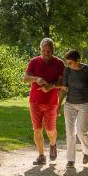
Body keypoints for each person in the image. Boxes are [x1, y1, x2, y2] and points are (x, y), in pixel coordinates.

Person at [23, 37, 65, 166]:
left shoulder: (59, 63)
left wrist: (51, 86)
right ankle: (41, 156)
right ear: (40, 49)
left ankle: (53, 144)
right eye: (44, 50)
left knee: (50, 129)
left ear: (53, 50)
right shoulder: (34, 62)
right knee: (37, 129)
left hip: (51, 102)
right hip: (35, 101)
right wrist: (36, 79)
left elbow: (63, 83)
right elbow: (25, 78)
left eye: (49, 50)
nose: (47, 53)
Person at [58, 49, 88, 168]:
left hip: (85, 104)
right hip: (70, 104)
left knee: (81, 131)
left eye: (70, 63)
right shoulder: (67, 71)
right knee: (70, 132)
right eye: (67, 63)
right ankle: (70, 160)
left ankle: (87, 151)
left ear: (78, 60)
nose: (68, 65)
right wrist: (58, 104)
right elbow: (64, 89)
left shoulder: (87, 70)